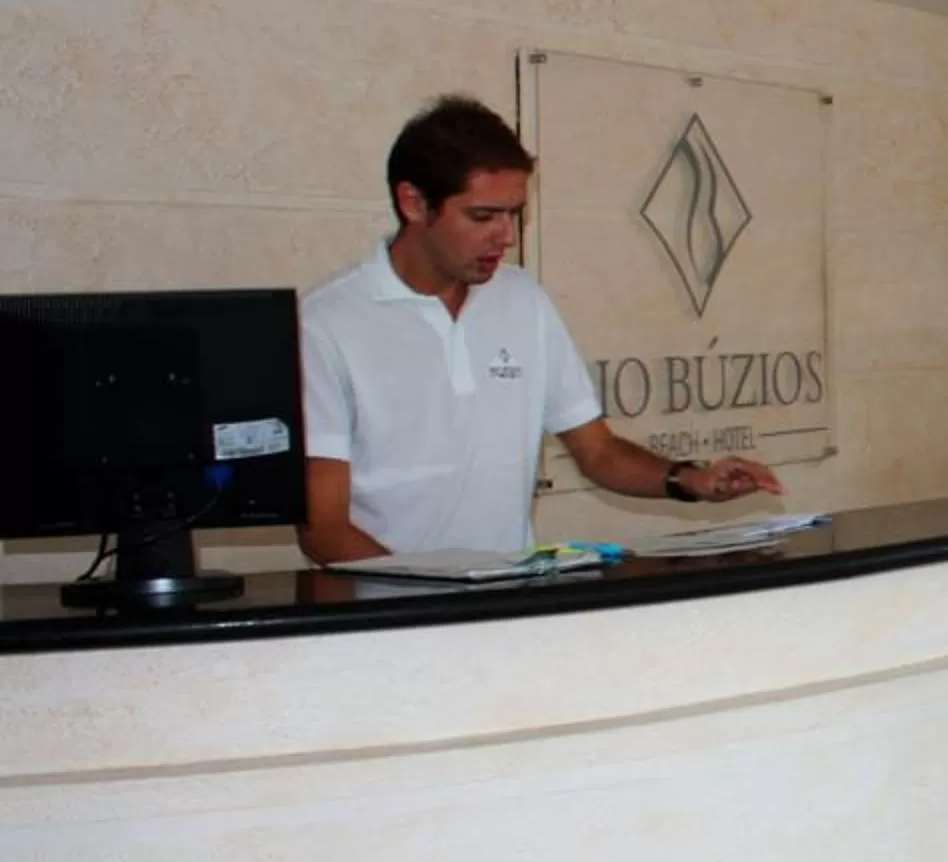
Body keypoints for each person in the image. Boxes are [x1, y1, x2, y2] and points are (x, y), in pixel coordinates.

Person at [296, 95, 784, 562]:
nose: (506, 236)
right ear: (414, 203)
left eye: (515, 214)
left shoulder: (523, 299)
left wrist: (693, 480)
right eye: (483, 216)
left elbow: (597, 451)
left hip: (511, 615)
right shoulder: (326, 324)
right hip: (393, 630)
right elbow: (324, 529)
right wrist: (435, 605)